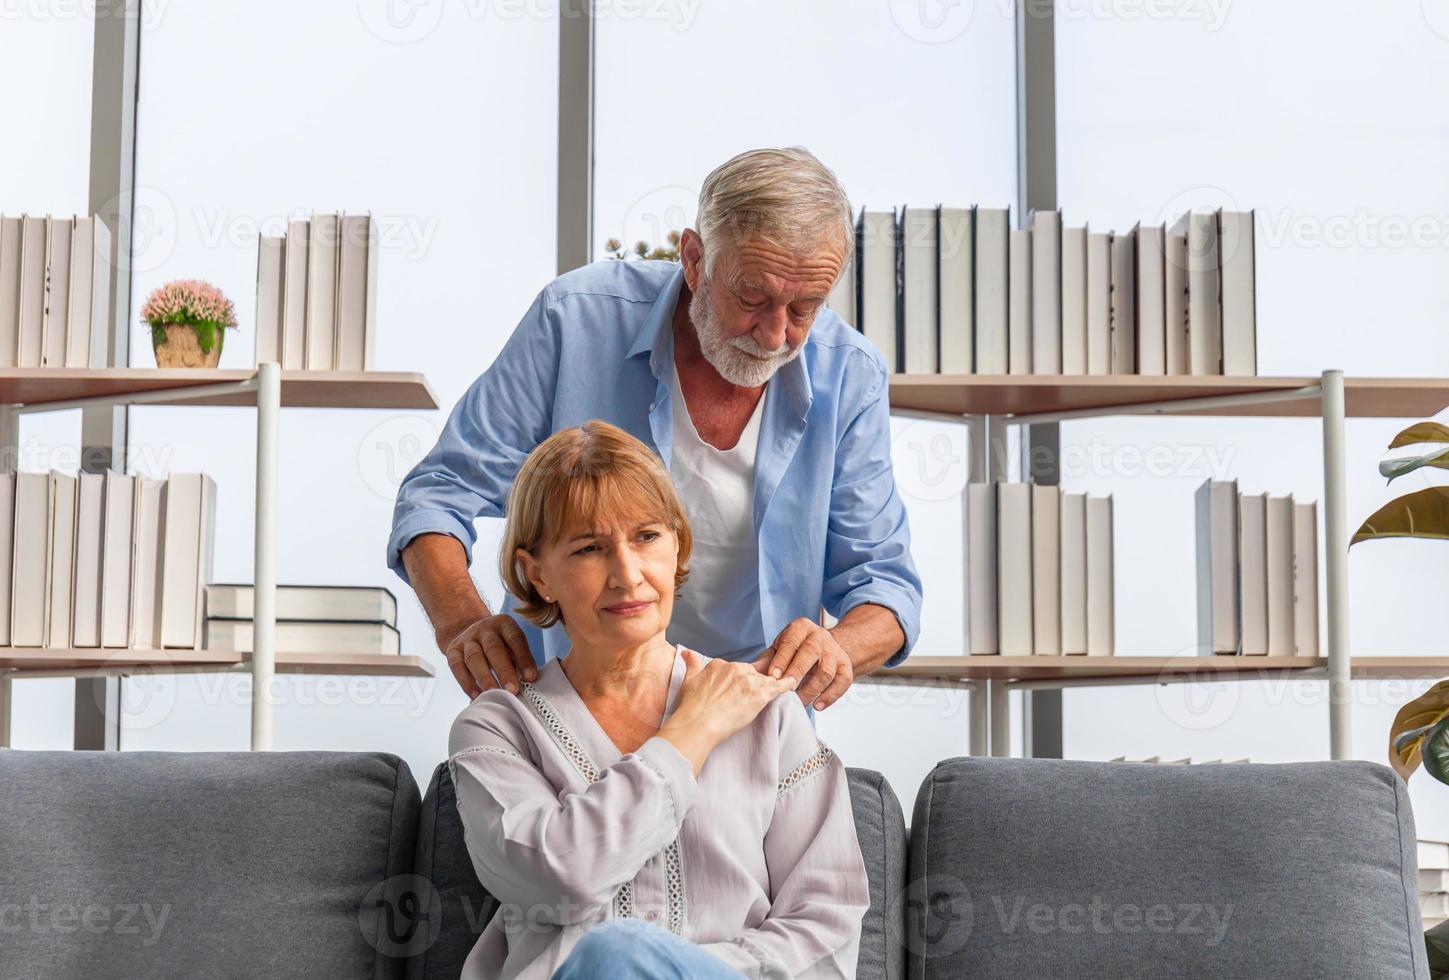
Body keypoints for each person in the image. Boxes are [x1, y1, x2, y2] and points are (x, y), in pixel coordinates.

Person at [389, 146, 922, 715]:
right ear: (694, 259)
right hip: (572, 712)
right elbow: (439, 494)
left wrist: (837, 647)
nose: (774, 337)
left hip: (750, 721)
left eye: (804, 308)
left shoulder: (850, 371)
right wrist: (462, 626)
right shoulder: (575, 320)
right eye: (752, 298)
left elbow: (884, 585)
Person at [448, 420, 870, 979]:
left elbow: (827, 923)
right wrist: (688, 734)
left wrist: (676, 971)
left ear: (677, 547)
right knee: (608, 956)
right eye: (589, 549)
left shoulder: (767, 712)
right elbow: (561, 875)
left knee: (620, 955)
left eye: (647, 537)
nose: (627, 575)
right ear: (537, 574)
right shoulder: (496, 730)